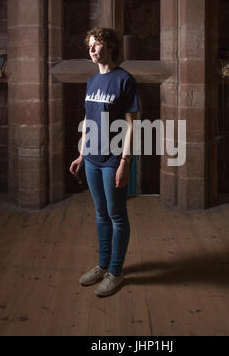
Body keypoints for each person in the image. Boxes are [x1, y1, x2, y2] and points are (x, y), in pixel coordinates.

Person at [69, 26, 139, 297]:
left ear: (110, 46)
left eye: (96, 44)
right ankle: (102, 264)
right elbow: (88, 120)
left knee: (117, 215)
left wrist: (125, 162)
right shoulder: (91, 81)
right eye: (89, 45)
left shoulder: (124, 80)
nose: (91, 49)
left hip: (113, 159)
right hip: (91, 159)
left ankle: (116, 272)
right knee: (100, 214)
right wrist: (80, 154)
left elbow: (133, 125)